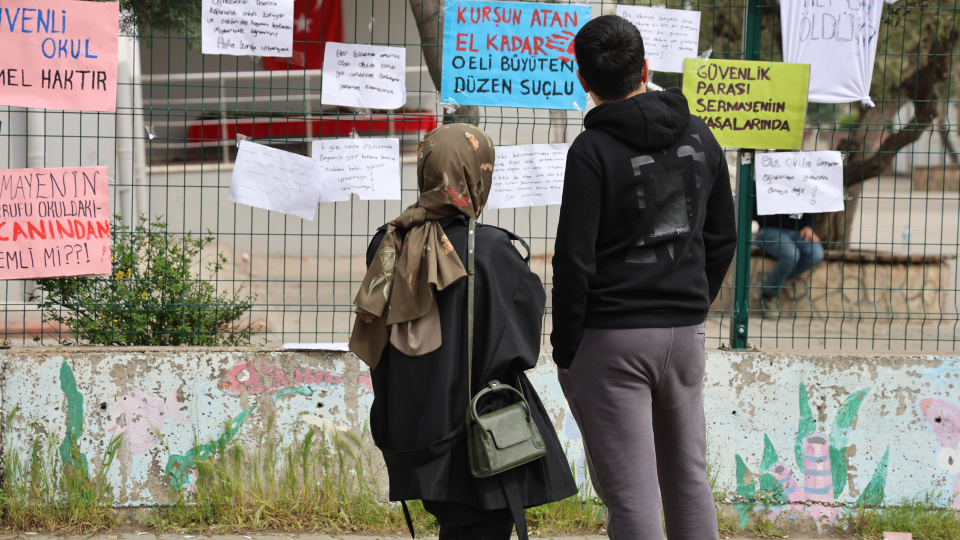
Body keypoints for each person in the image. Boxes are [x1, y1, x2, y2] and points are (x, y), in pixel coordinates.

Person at [551, 16, 737, 540]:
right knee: (688, 480)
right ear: (647, 69)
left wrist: (567, 347)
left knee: (632, 496)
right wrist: (690, 303)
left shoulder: (590, 152)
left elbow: (574, 259)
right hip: (683, 335)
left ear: (583, 80)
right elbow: (723, 238)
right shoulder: (701, 135)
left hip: (610, 338)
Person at [350, 124, 577, 540]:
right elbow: (522, 349)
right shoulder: (494, 253)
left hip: (412, 427)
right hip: (479, 432)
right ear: (479, 174)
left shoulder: (386, 244)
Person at [753, 209, 825, 318]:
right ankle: (770, 295)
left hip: (798, 231)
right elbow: (754, 212)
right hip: (769, 229)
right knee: (791, 255)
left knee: (816, 254)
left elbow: (810, 202)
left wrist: (809, 225)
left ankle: (769, 280)